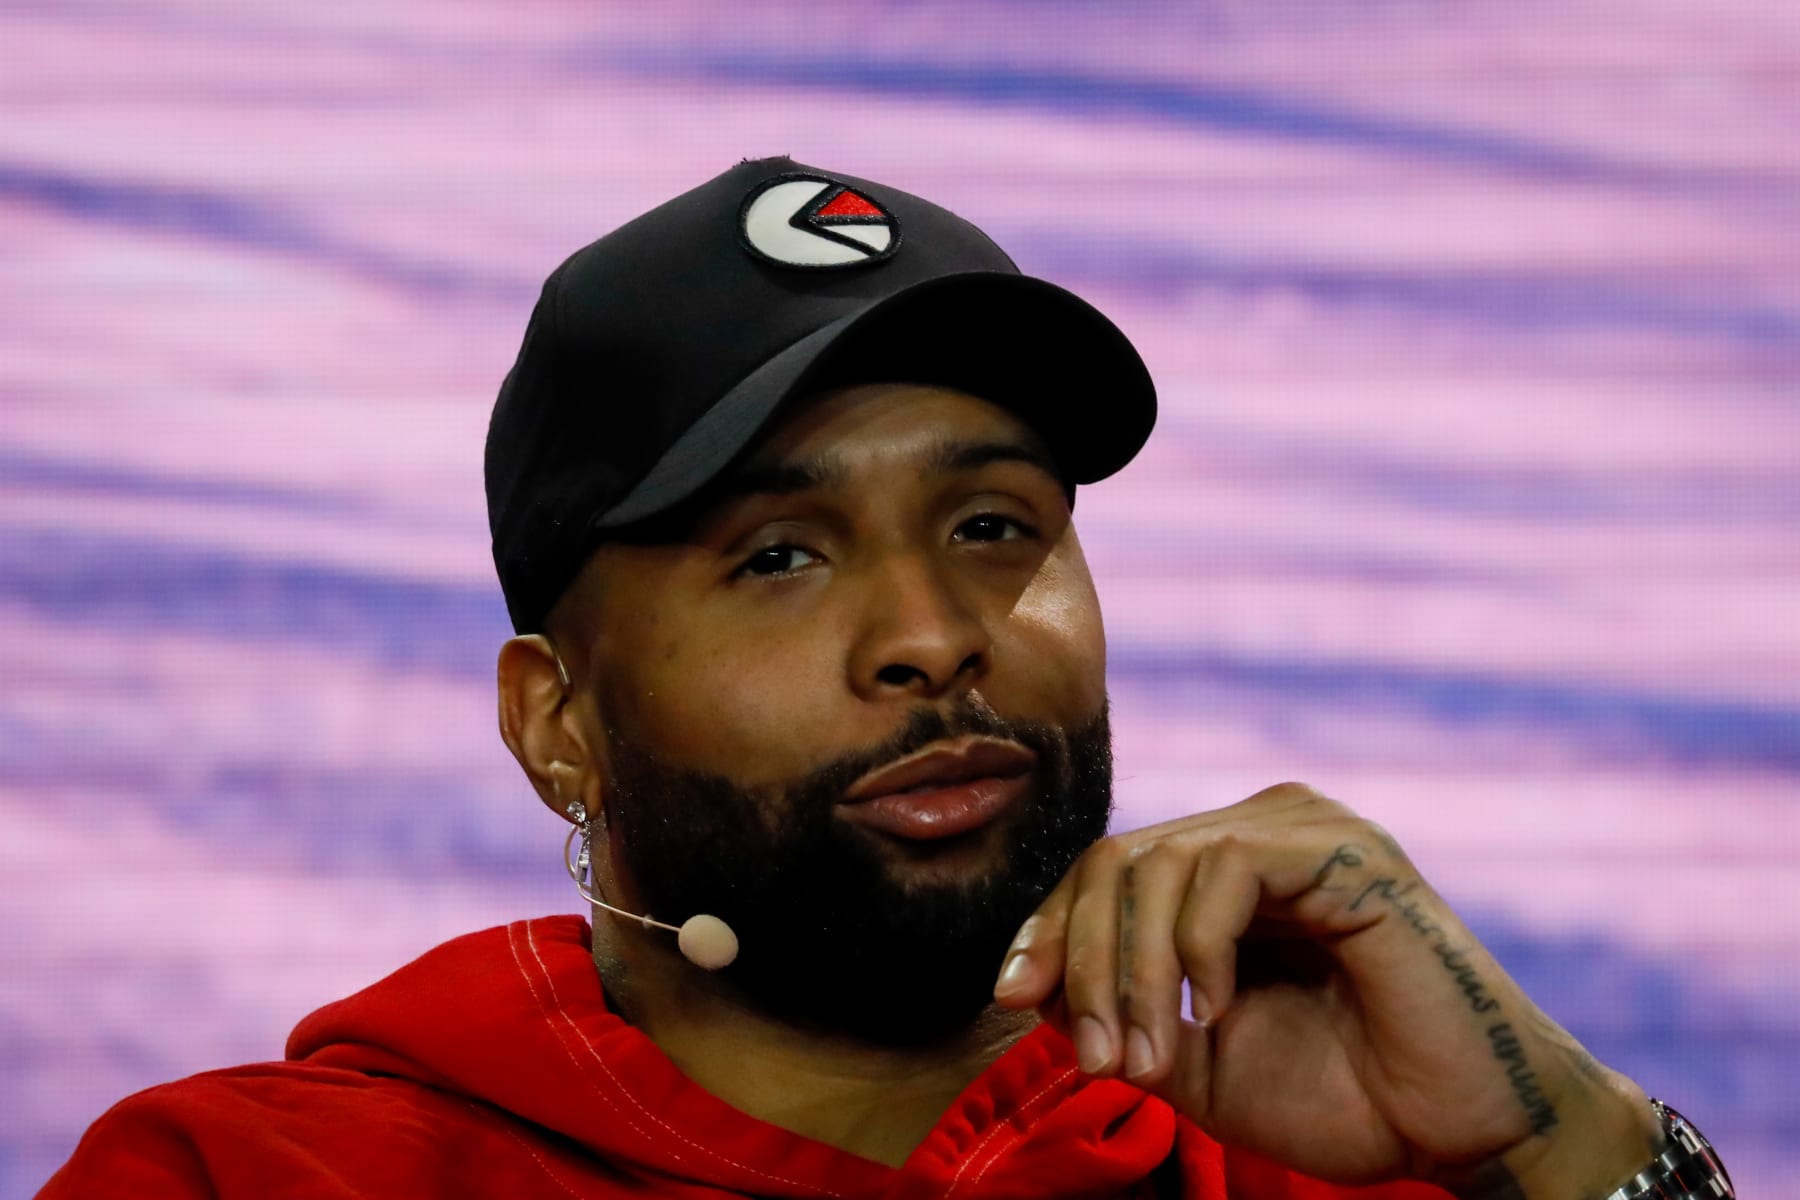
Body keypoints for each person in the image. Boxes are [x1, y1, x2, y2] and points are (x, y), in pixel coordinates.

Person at [39, 157, 1731, 1199]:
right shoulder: (256, 1179)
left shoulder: (1345, 1151)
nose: (934, 632)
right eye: (778, 555)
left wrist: (1562, 1139)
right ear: (557, 725)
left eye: (996, 524)